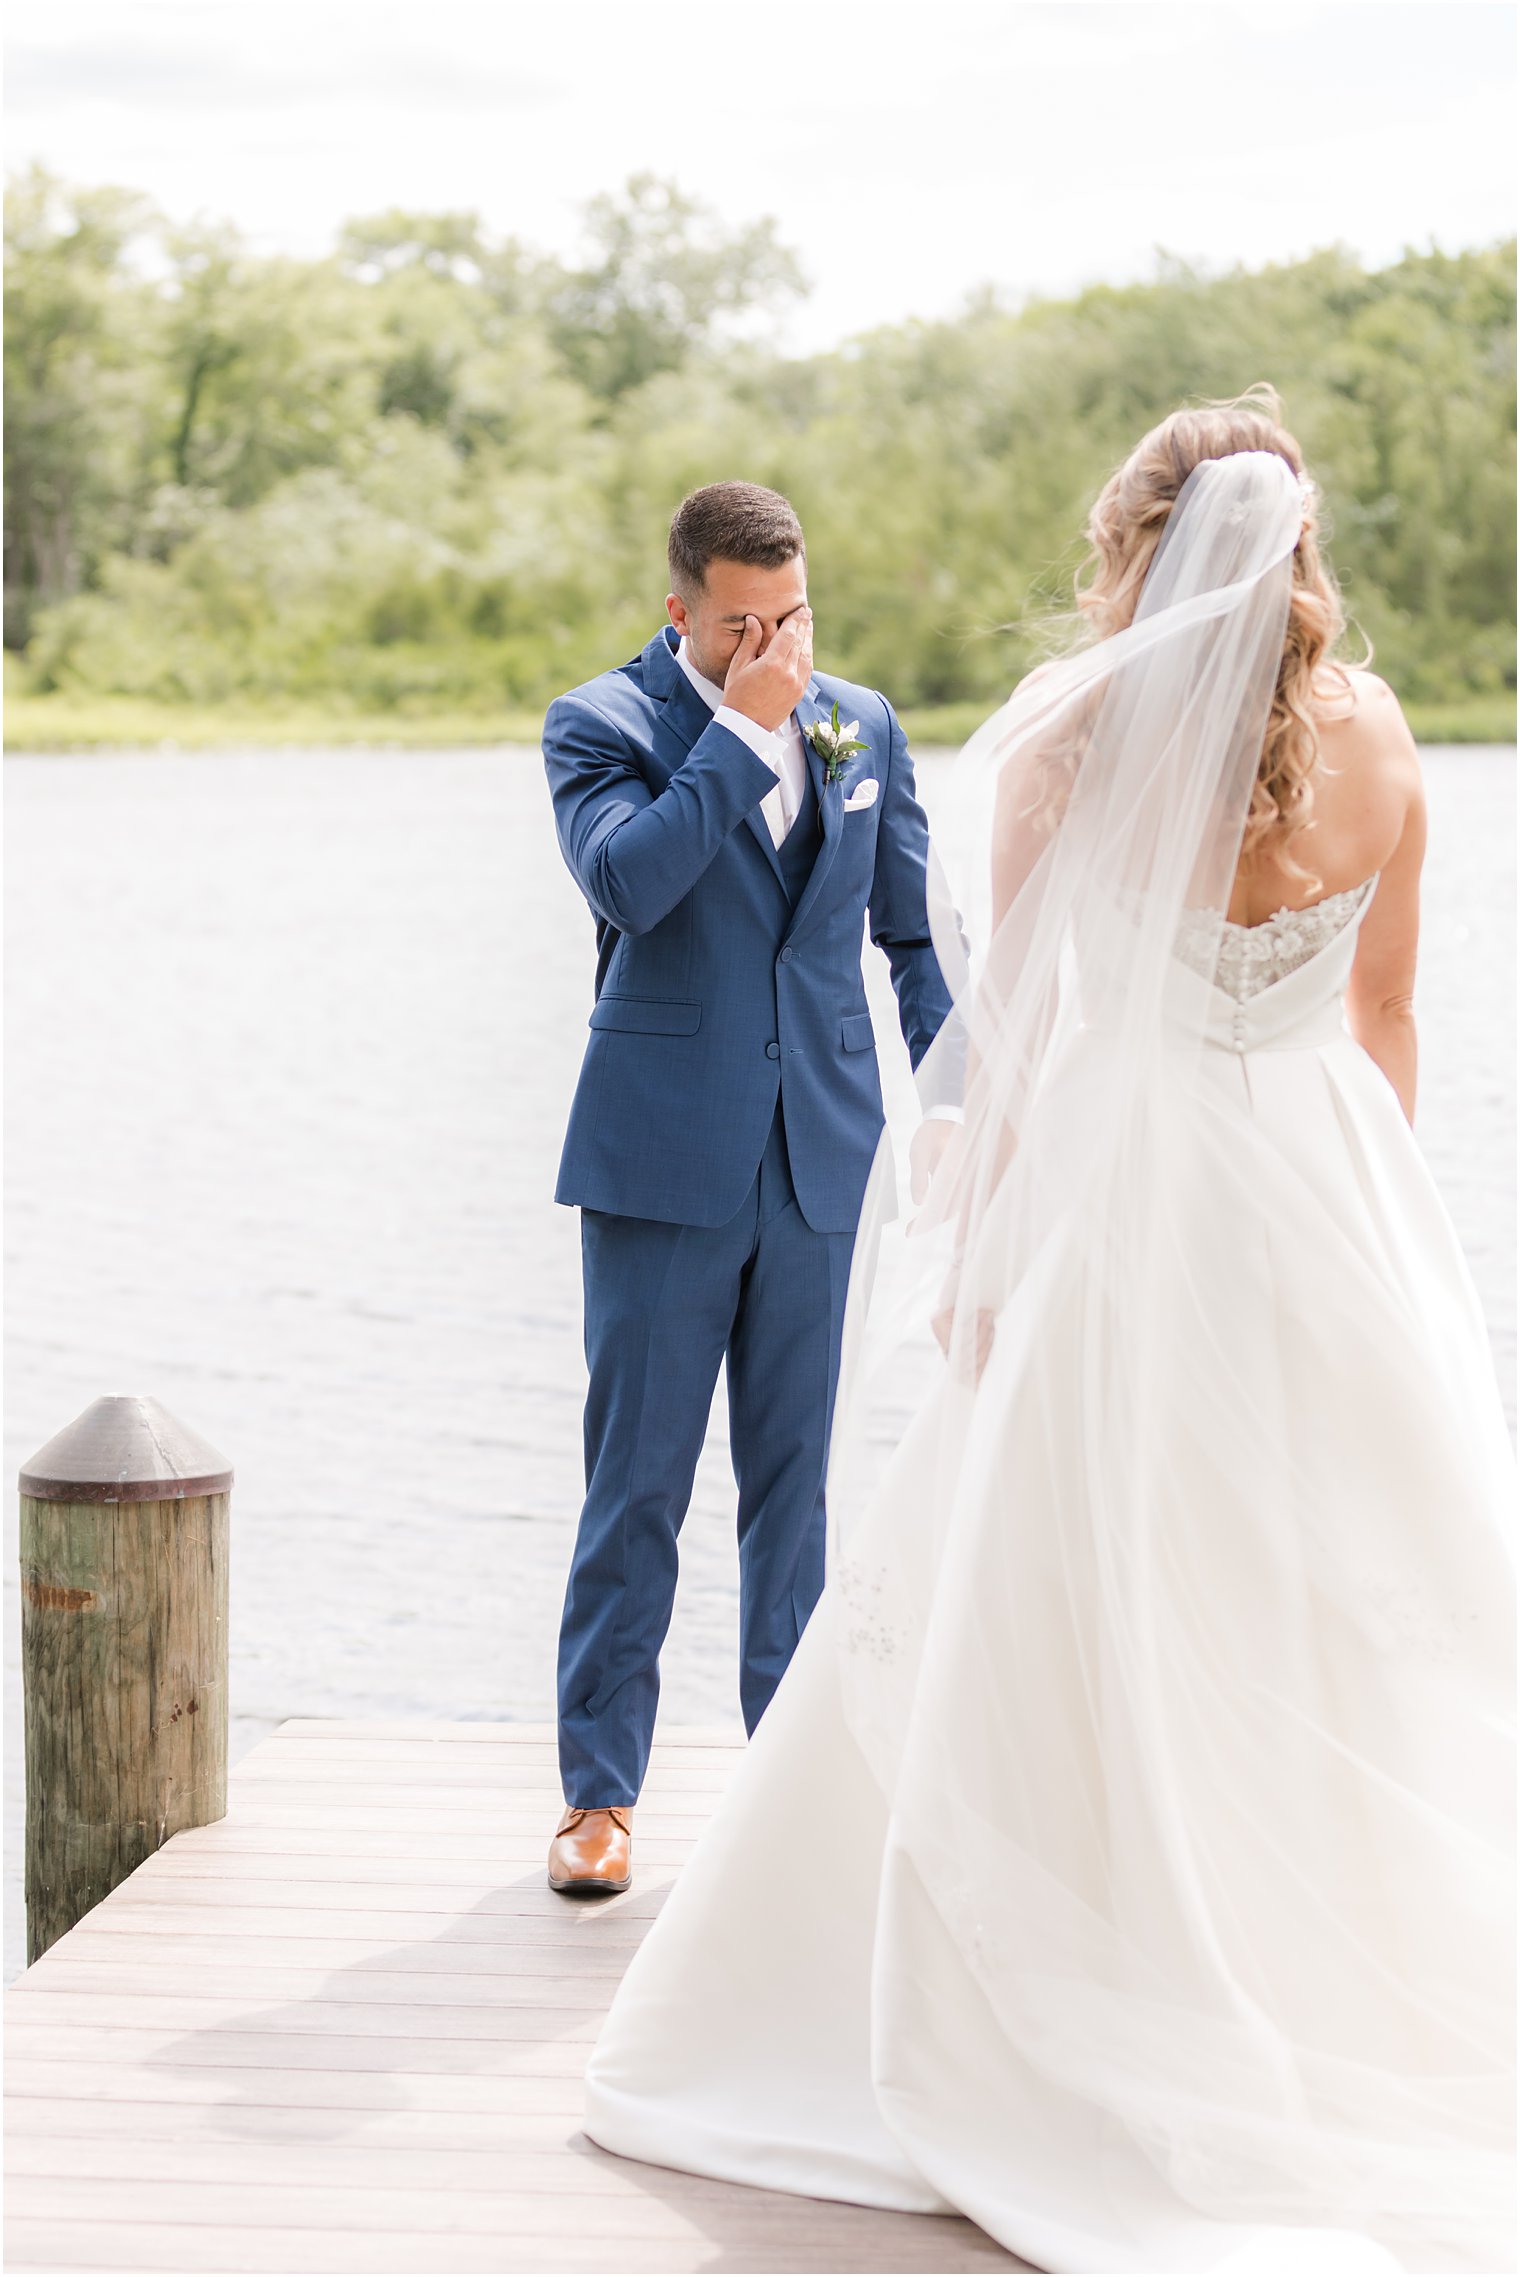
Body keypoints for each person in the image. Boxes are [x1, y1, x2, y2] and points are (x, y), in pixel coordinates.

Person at [580, 398, 1516, 2273]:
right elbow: (1392, 1018)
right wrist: (1362, 1237)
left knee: (1088, 1583)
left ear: (1133, 552)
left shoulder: (1075, 743)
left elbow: (1007, 1046)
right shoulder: (1390, 733)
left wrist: (980, 1259)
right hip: (1324, 1179)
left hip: (1136, 1192)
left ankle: (1092, 1986)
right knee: (1323, 1600)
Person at [542, 481, 962, 1896]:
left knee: (796, 1495)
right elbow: (632, 884)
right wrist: (739, 731)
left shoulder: (866, 723)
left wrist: (962, 1103)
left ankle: (790, 1789)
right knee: (636, 1489)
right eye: (739, 624)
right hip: (663, 1163)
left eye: (791, 617)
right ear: (681, 614)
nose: (773, 644)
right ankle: (599, 1798)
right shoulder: (602, 726)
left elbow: (908, 938)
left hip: (818, 1160)